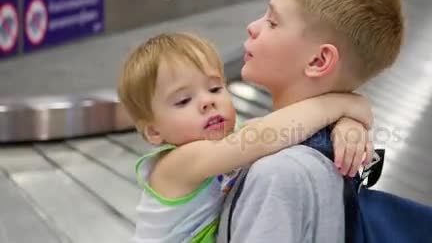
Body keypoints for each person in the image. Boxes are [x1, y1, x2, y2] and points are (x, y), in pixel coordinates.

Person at [117, 33, 374, 242]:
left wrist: (345, 121)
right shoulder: (177, 164)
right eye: (183, 100)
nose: (207, 102)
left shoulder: (227, 143)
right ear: (153, 131)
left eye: (215, 88)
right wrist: (341, 104)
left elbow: (279, 127)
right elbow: (264, 136)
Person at [216, 0, 404, 242]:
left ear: (318, 60)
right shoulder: (330, 148)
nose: (252, 27)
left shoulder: (277, 175)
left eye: (272, 21)